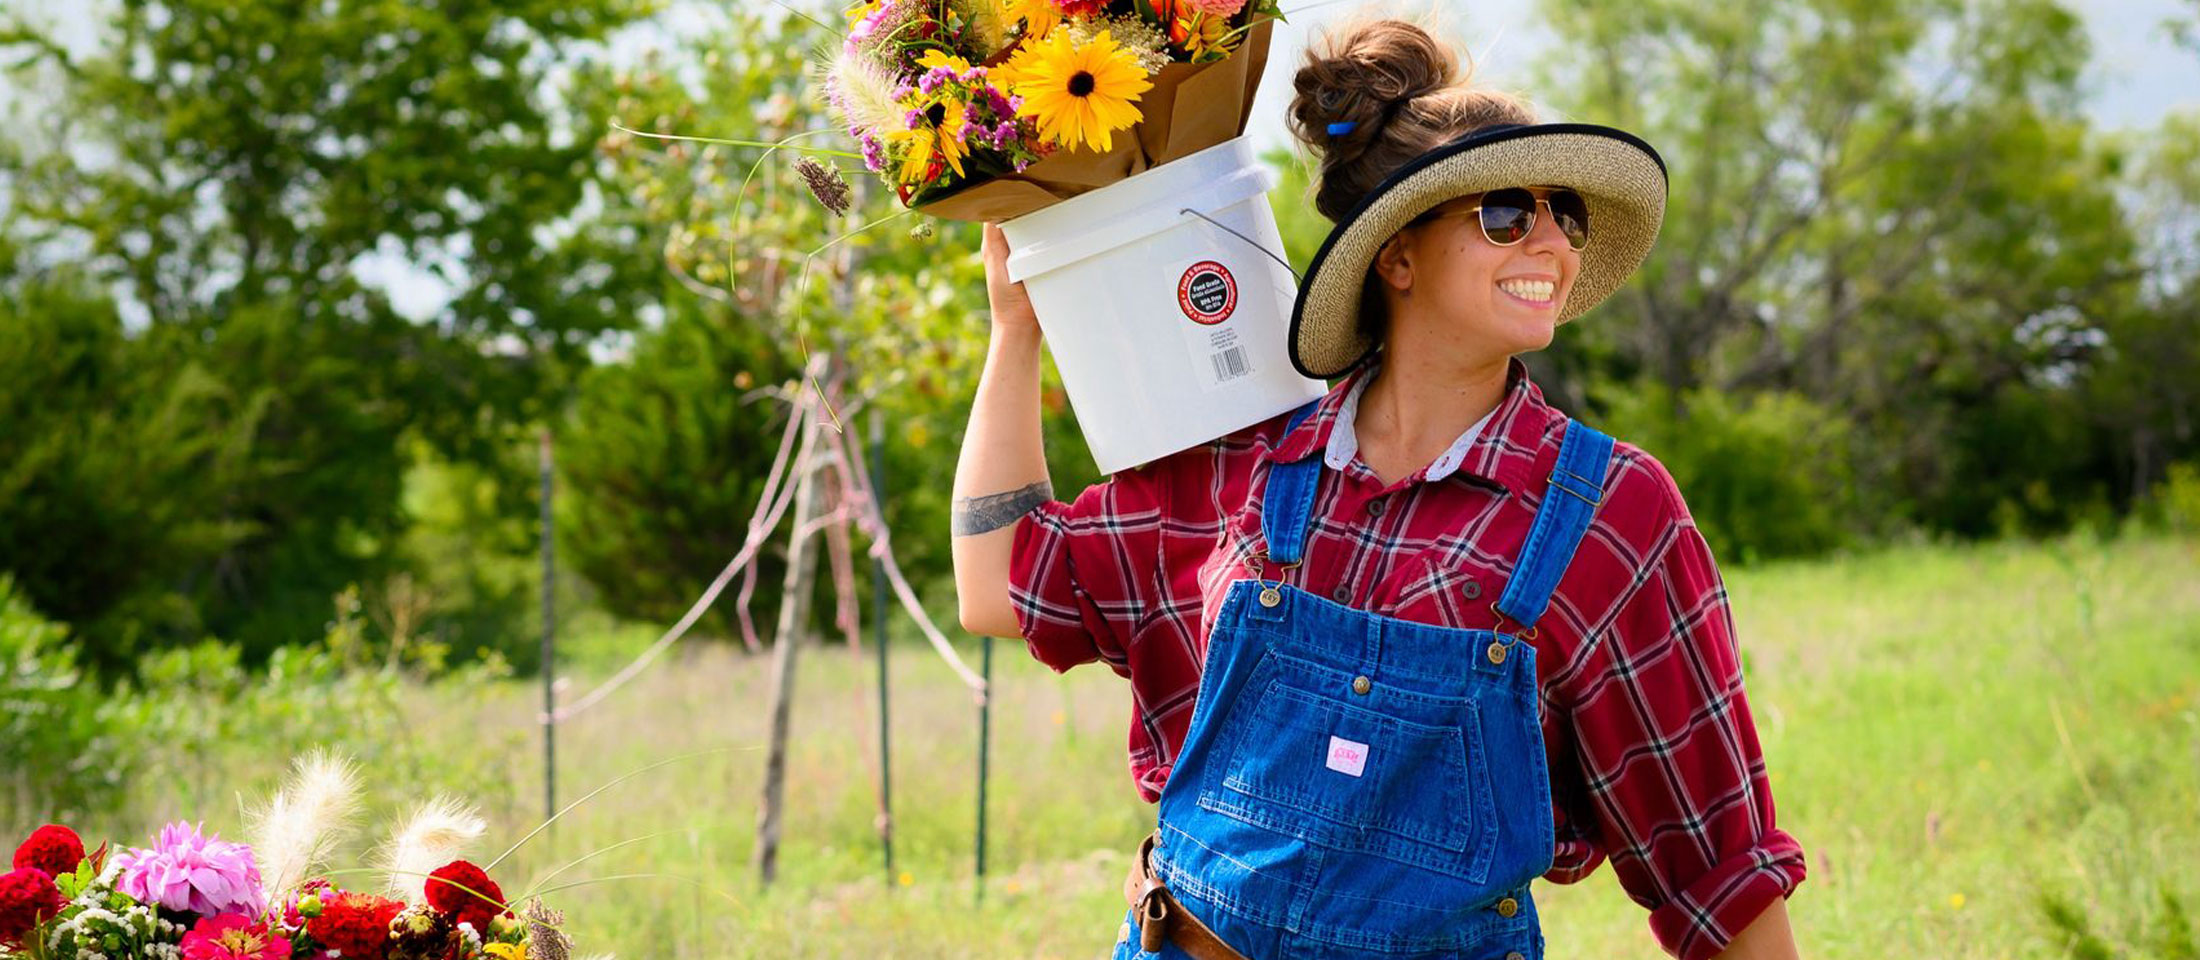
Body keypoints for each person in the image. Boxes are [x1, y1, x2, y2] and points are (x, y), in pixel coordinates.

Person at [949, 15, 1805, 960]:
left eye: (1567, 214)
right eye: (1505, 214)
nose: (1551, 244)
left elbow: (1717, 866)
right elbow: (998, 586)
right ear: (1396, 254)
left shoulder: (1613, 514)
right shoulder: (1245, 465)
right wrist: (1016, 329)